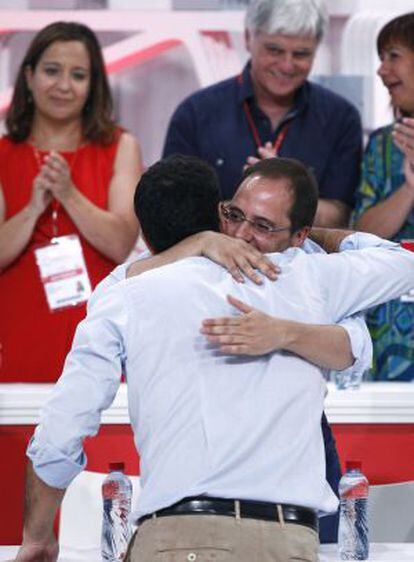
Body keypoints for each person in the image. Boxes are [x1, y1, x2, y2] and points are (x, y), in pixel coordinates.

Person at [16, 157, 414, 562]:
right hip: (288, 542)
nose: (244, 233)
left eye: (263, 225)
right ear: (218, 213)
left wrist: (37, 536)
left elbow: (61, 431)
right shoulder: (305, 275)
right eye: (236, 216)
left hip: (176, 536)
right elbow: (403, 262)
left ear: (143, 231)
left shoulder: (123, 291)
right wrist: (315, 238)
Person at [0, 21, 142, 383]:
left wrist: (68, 193)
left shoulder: (121, 146)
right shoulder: (3, 152)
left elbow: (120, 241)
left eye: (78, 75)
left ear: (93, 85)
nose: (64, 85)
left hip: (96, 333)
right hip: (16, 331)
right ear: (29, 77)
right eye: (52, 71)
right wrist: (33, 208)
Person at [163, 0, 362, 227]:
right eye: (274, 50)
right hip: (212, 261)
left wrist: (289, 193)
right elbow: (173, 211)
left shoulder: (341, 118)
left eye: (300, 54)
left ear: (316, 50)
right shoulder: (196, 114)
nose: (287, 65)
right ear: (248, 38)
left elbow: (341, 216)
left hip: (308, 261)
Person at [353, 12, 414, 381]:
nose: (381, 70)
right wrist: (409, 187)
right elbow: (364, 232)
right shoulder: (381, 145)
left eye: (393, 55)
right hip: (390, 327)